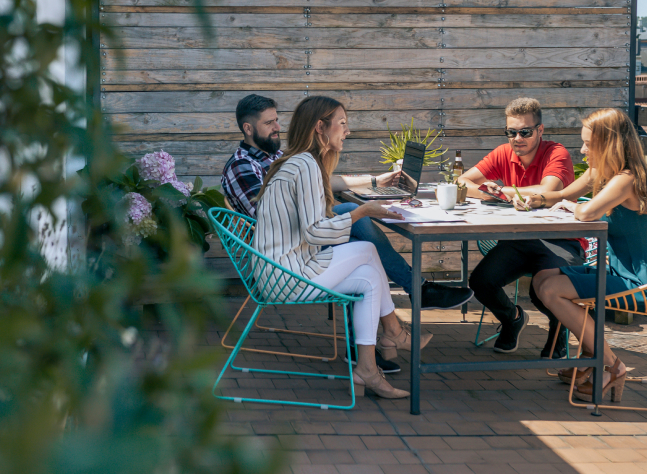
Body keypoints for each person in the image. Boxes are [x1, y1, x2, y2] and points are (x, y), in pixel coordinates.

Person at [221, 94, 473, 372]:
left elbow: (320, 185)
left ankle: (368, 358)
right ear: (248, 128)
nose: (278, 127)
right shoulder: (244, 165)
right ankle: (404, 312)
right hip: (283, 254)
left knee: (363, 254)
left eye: (277, 120)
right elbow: (271, 217)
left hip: (297, 246)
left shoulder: (284, 158)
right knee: (363, 242)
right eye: (269, 123)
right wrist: (359, 211)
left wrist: (376, 180)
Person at [252, 96, 418, 398]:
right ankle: (394, 332)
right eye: (342, 123)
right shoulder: (305, 164)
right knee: (367, 250)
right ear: (320, 127)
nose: (347, 131)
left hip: (283, 268)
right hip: (283, 275)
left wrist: (368, 196)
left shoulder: (302, 161)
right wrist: (363, 212)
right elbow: (315, 232)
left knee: (368, 278)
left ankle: (368, 369)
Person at [525, 108, 647, 402]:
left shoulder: (625, 178)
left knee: (552, 291)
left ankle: (611, 365)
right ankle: (590, 359)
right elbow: (568, 194)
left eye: (588, 144)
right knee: (544, 277)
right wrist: (536, 198)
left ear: (609, 144)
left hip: (637, 282)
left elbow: (587, 211)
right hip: (617, 272)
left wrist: (575, 205)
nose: (582, 150)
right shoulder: (605, 173)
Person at [457, 97, 585, 357]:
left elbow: (548, 190)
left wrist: (500, 189)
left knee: (543, 290)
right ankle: (513, 317)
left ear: (540, 130)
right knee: (481, 282)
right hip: (519, 239)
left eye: (524, 132)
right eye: (511, 132)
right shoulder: (504, 152)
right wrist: (486, 191)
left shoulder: (555, 153)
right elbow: (462, 181)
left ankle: (558, 327)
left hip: (560, 240)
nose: (517, 138)